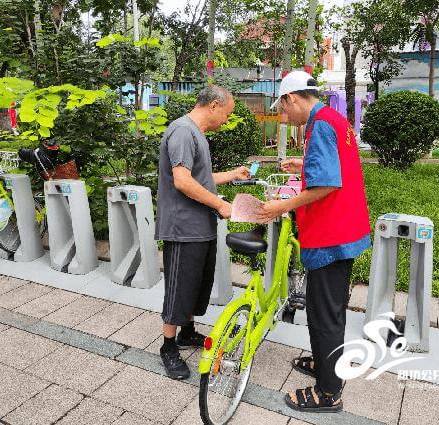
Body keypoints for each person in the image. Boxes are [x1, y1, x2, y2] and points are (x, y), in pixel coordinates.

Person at [256, 71, 372, 413]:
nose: (285, 116)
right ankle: (327, 366)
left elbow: (327, 185)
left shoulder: (318, 125)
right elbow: (338, 166)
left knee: (324, 315)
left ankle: (328, 393)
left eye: (284, 109)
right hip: (346, 228)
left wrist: (282, 205)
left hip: (330, 234)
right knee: (330, 310)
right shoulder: (335, 118)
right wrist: (304, 164)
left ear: (293, 98)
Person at [155, 85, 250, 380]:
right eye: (227, 113)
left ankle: (187, 332)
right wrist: (220, 205)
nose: (226, 120)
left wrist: (232, 175)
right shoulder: (182, 131)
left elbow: (202, 180)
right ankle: (168, 346)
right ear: (213, 106)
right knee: (179, 287)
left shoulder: (197, 134)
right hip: (183, 227)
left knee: (197, 285)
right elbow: (182, 182)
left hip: (200, 227)